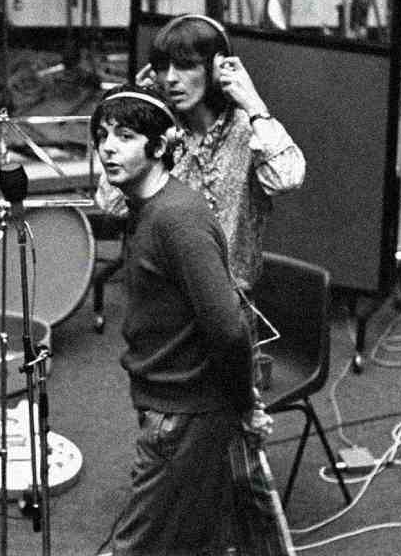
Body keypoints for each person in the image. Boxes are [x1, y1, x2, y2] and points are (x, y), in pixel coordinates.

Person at [92, 85, 283, 555]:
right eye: (102, 135)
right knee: (195, 538)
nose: (108, 147)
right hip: (172, 402)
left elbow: (229, 326)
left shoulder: (177, 221)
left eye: (125, 136)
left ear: (159, 148)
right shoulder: (146, 208)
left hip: (182, 412)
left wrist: (245, 406)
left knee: (134, 547)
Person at [97, 13, 305, 293]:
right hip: (163, 303)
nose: (170, 78)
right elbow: (112, 204)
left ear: (218, 68)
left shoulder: (249, 131)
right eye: (162, 67)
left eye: (185, 66)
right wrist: (135, 116)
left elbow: (287, 178)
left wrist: (254, 104)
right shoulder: (159, 134)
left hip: (231, 303)